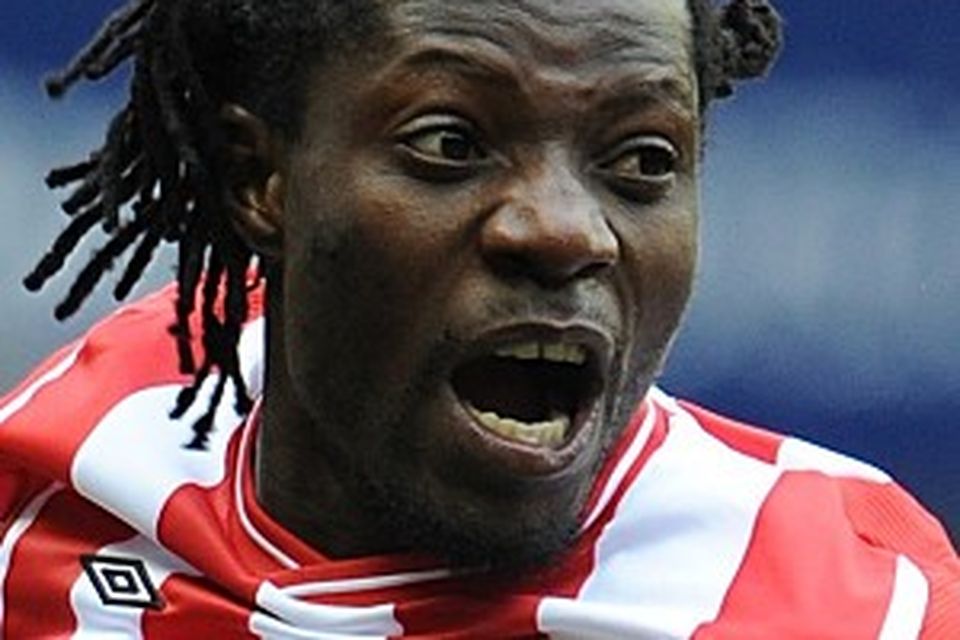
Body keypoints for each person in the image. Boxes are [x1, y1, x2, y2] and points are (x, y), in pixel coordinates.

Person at [0, 0, 956, 637]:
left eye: (643, 160)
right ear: (261, 181)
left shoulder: (855, 603)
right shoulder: (58, 479)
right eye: (451, 143)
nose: (565, 231)